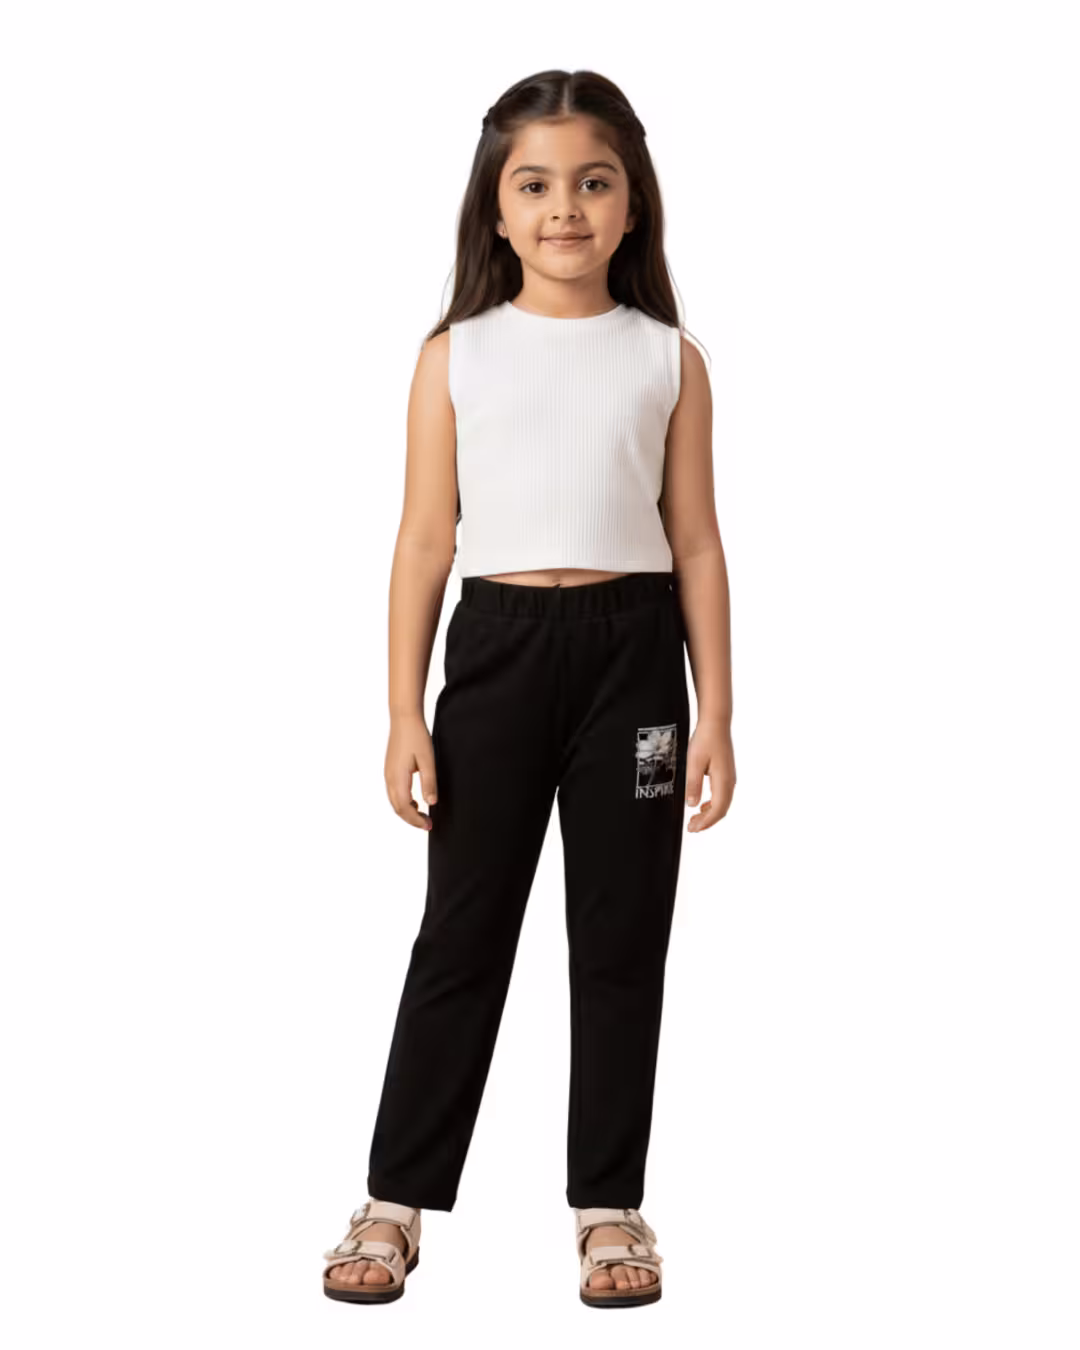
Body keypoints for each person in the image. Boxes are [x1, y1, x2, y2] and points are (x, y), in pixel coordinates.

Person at [322, 68, 735, 1309]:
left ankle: (610, 1208)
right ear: (495, 211)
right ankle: (394, 1201)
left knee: (622, 939)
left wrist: (716, 712)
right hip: (496, 659)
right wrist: (404, 711)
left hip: (634, 663)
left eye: (593, 182)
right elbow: (423, 542)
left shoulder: (669, 360)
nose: (566, 208)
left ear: (632, 203)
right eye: (537, 185)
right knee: (461, 937)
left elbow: (698, 542)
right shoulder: (455, 356)